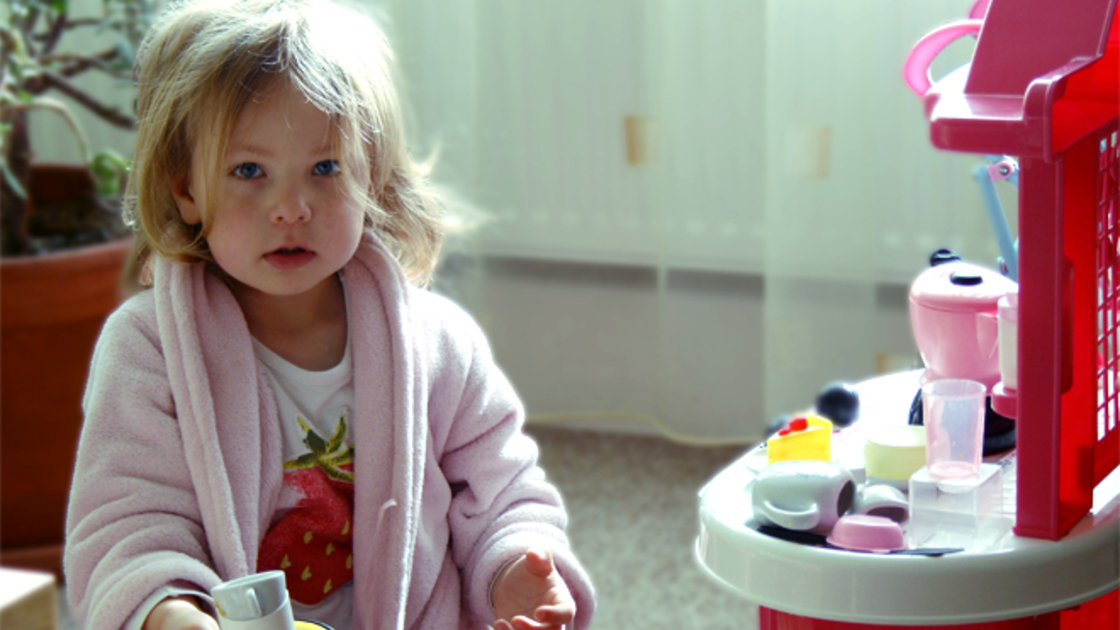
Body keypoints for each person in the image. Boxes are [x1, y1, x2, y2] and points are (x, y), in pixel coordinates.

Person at [62, 0, 595, 628]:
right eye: (249, 170)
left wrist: (516, 574)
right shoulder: (146, 350)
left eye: (324, 168)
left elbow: (503, 492)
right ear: (186, 189)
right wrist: (170, 614)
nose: (291, 207)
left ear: (371, 174)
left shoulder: (439, 343)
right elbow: (128, 526)